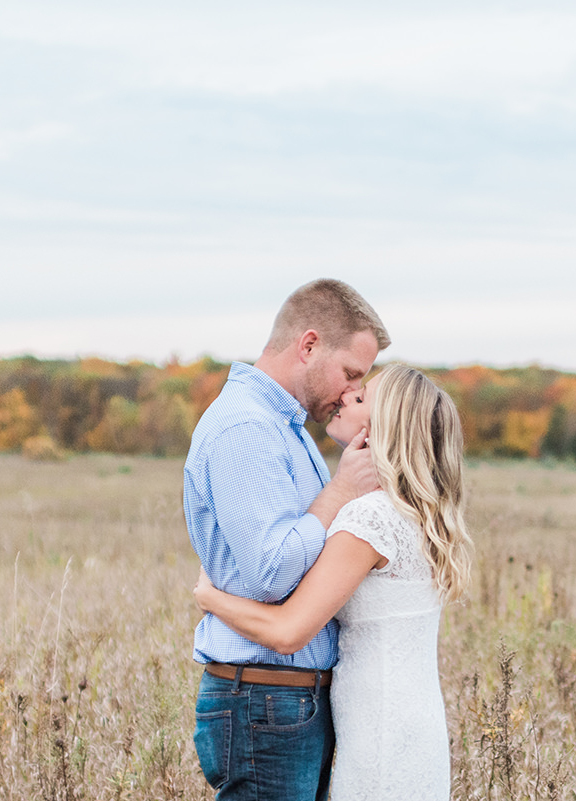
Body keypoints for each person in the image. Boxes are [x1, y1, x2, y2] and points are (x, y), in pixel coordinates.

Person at [194, 363, 473, 801]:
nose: (346, 397)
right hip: (412, 723)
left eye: (361, 399)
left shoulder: (370, 518)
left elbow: (287, 631)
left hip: (379, 732)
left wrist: (211, 596)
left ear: (384, 429)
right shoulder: (416, 514)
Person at [185, 279, 390, 800]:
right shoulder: (247, 428)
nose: (351, 393)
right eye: (350, 374)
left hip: (283, 701)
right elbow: (272, 574)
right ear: (308, 345)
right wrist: (341, 490)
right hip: (262, 698)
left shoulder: (287, 428)